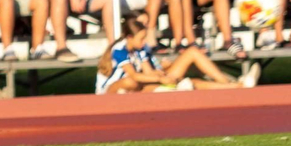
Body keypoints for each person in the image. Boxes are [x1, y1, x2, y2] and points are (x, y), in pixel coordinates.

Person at [97, 17, 249, 94]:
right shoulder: (119, 49)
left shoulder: (140, 48)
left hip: (142, 86)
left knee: (192, 54)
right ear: (129, 38)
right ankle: (170, 89)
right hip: (112, 90)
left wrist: (161, 73)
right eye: (141, 38)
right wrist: (160, 78)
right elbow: (134, 76)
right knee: (131, 82)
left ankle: (231, 86)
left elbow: (148, 72)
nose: (144, 42)